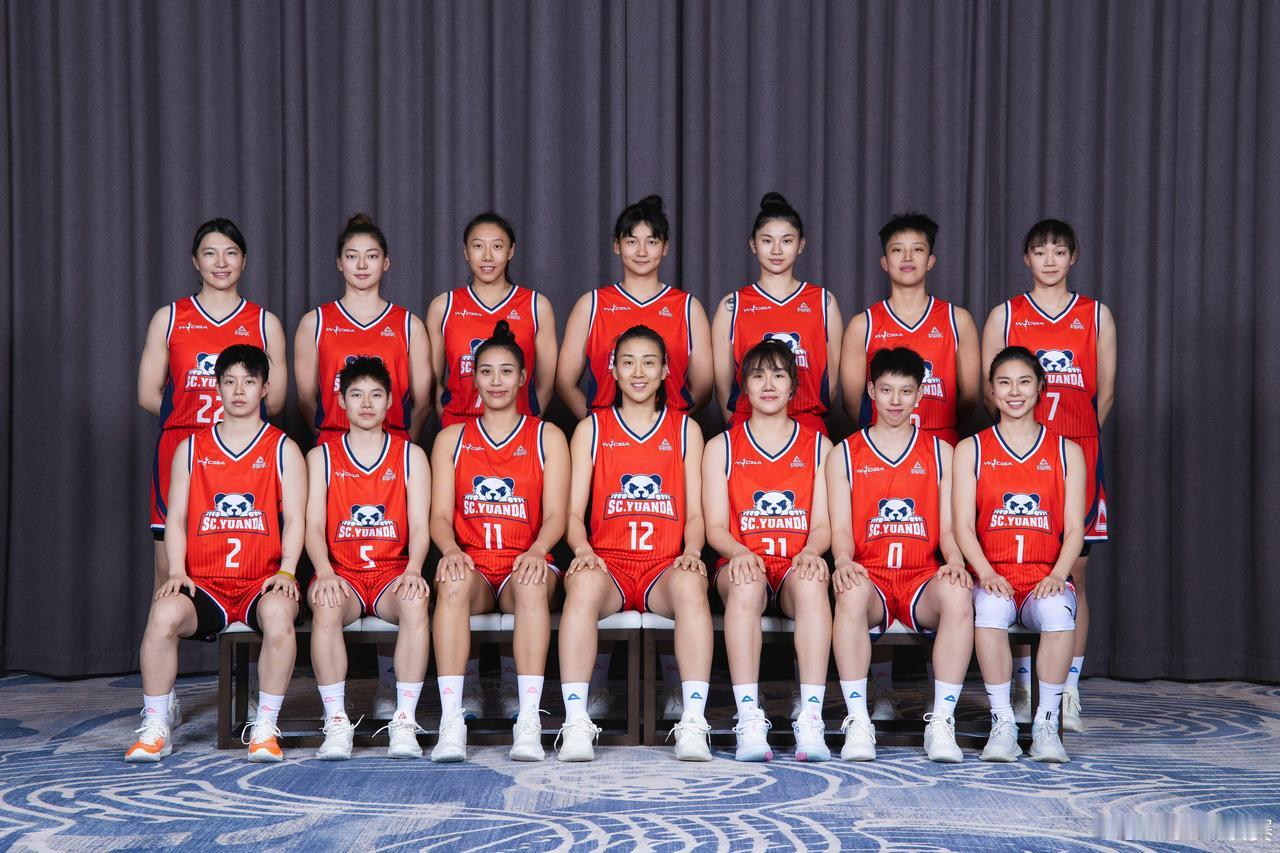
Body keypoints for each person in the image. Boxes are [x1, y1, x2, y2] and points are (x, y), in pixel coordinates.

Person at [556, 194, 712, 710]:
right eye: (631, 240)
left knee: (687, 582)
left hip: (665, 450)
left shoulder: (685, 307)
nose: (641, 250)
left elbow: (705, 385)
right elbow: (563, 380)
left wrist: (671, 423)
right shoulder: (593, 304)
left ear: (665, 248)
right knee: (586, 580)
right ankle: (585, 701)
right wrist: (601, 424)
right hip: (610, 446)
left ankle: (682, 699)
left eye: (651, 240)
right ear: (616, 246)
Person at [136, 218, 288, 728]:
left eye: (230, 253)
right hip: (184, 453)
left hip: (247, 455)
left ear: (244, 260)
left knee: (253, 562)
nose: (221, 263)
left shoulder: (263, 322)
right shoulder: (170, 317)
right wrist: (200, 431)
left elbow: (278, 399)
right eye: (210, 253)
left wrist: (235, 431)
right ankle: (163, 699)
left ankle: (255, 691)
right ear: (195, 261)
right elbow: (148, 392)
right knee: (170, 577)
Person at [126, 345, 305, 763]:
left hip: (261, 581)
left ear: (265, 389)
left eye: (249, 382)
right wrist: (176, 571)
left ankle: (265, 727)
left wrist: (288, 571)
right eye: (229, 382)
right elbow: (175, 519)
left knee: (280, 615)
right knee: (163, 614)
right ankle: (156, 726)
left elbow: (296, 519)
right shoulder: (191, 448)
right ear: (218, 387)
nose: (239, 391)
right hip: (206, 583)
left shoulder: (283, 448)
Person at [838, 212, 981, 721]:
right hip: (878, 455)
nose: (907, 258)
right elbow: (850, 399)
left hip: (938, 456)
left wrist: (933, 443)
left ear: (931, 259)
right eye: (897, 250)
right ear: (884, 261)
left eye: (917, 249)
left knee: (944, 567)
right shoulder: (864, 324)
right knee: (874, 552)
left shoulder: (956, 320)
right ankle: (877, 692)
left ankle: (937, 705)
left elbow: (968, 397)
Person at [981, 219, 1115, 731]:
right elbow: (989, 391)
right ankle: (1021, 686)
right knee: (1015, 564)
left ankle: (1068, 689)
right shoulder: (1006, 315)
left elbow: (1104, 395)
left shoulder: (1095, 315)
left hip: (1075, 452)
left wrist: (1070, 450)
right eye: (1041, 251)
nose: (1050, 260)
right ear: (1027, 259)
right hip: (1016, 454)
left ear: (1073, 257)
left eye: (1060, 251)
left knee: (1072, 573)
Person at [295, 213, 431, 715]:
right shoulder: (316, 322)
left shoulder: (407, 324)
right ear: (338, 263)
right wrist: (336, 443)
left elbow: (424, 397)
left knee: (398, 564)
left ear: (386, 263)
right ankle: (343, 709)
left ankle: (392, 693)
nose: (361, 265)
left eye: (371, 256)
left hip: (393, 451)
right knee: (337, 574)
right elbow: (306, 399)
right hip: (336, 451)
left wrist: (399, 445)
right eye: (352, 256)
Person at [558, 326, 713, 762]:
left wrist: (692, 551)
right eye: (628, 362)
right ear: (612, 369)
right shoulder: (591, 429)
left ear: (666, 371)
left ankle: (693, 721)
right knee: (581, 585)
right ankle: (576, 721)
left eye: (649, 362)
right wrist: (583, 550)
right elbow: (573, 516)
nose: (638, 372)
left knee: (691, 585)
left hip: (663, 565)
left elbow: (696, 514)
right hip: (609, 564)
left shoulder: (686, 430)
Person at [427, 212, 559, 717]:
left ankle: (517, 699)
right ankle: (458, 708)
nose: (487, 255)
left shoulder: (534, 306)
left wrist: (522, 420)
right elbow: (430, 384)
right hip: (465, 440)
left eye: (497, 245)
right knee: (454, 573)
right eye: (477, 246)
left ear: (511, 251)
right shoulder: (445, 307)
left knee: (528, 578)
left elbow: (546, 383)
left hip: (519, 443)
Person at [428, 321, 569, 762]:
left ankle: (528, 720)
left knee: (530, 584)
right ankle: (452, 719)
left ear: (523, 377)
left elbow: (557, 515)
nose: (496, 381)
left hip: (524, 560)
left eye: (506, 371)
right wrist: (451, 549)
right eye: (486, 371)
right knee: (451, 584)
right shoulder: (451, 438)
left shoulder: (547, 435)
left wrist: (537, 550)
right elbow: (438, 516)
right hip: (472, 563)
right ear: (473, 378)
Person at [827, 347, 974, 763]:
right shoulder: (844, 453)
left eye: (905, 391)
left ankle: (941, 722)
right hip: (870, 574)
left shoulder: (942, 453)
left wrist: (956, 561)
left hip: (920, 575)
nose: (895, 400)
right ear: (871, 390)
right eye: (887, 389)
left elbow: (948, 529)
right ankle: (858, 720)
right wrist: (843, 561)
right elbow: (840, 530)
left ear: (919, 394)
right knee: (849, 593)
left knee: (959, 594)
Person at [703, 339, 834, 762]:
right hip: (742, 562)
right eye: (758, 376)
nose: (769, 384)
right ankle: (748, 717)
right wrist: (739, 552)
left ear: (794, 385)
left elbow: (823, 524)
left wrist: (812, 551)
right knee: (746, 585)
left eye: (778, 375)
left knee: (813, 583)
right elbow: (715, 527)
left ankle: (810, 718)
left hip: (795, 563)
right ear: (744, 386)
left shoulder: (820, 446)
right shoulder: (721, 446)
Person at [953, 346, 1085, 763]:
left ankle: (1046, 723)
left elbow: (1075, 529)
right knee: (990, 612)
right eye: (1004, 383)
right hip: (995, 574)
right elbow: (962, 526)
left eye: (1024, 382)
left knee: (1059, 614)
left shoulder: (1067, 451)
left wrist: (1058, 574)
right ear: (991, 391)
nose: (1014, 392)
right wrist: (986, 572)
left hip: (1044, 574)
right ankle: (1004, 723)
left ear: (1040, 387)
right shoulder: (971, 449)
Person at [305, 357, 432, 760]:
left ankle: (404, 720)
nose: (366, 403)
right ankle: (336, 721)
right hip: (341, 573)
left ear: (390, 401)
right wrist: (324, 572)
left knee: (416, 599)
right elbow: (312, 527)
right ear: (341, 401)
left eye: (376, 395)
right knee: (325, 604)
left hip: (392, 572)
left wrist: (414, 568)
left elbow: (420, 526)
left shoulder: (411, 455)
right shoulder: (321, 457)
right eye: (356, 394)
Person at [712, 192, 843, 435]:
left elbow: (832, 383)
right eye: (767, 240)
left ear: (801, 245)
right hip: (748, 424)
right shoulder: (732, 306)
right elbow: (723, 388)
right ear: (753, 244)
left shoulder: (824, 303)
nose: (776, 250)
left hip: (807, 425)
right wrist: (743, 426)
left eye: (787, 241)